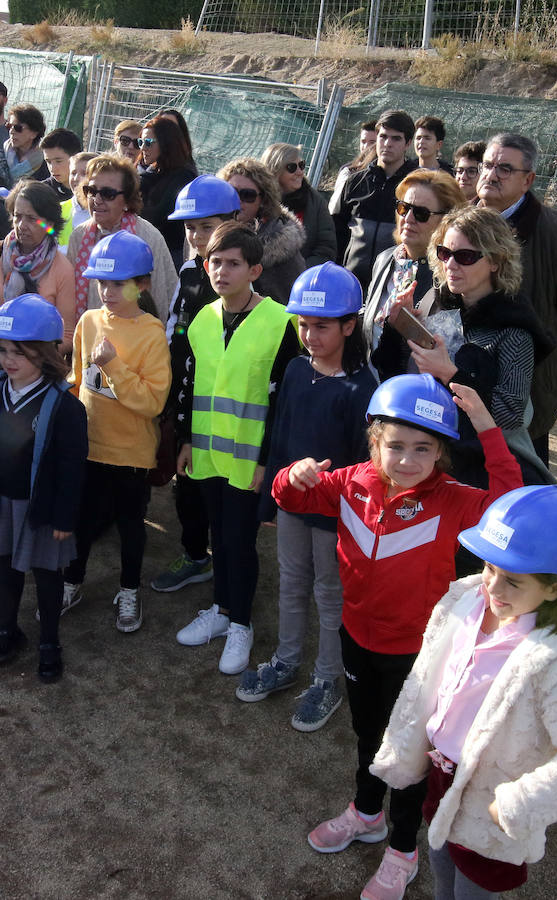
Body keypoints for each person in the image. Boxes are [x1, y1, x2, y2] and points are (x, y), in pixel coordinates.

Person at [272, 373, 523, 900]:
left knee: (411, 753)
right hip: (357, 638)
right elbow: (292, 501)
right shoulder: (348, 484)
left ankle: (403, 849)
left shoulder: (453, 501)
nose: (407, 460)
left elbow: (509, 504)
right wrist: (293, 478)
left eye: (423, 449)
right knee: (368, 736)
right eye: (396, 446)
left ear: (441, 454)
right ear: (374, 443)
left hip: (420, 652)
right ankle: (366, 813)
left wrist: (486, 426)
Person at [372, 485, 557, 897]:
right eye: (490, 567)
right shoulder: (467, 600)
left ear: (556, 587)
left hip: (491, 802)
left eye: (513, 581)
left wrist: (517, 804)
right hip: (443, 774)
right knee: (441, 860)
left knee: (472, 888)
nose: (493, 588)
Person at [237, 263, 377, 732]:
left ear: (349, 326)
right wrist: (270, 503)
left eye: (322, 326)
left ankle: (326, 680)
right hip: (290, 505)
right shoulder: (297, 369)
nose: (310, 335)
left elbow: (368, 466)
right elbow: (280, 436)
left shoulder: (364, 387)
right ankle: (286, 660)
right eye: (303, 324)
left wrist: (341, 504)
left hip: (335, 518)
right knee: (292, 584)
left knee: (330, 595)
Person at [174, 223, 299, 675]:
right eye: (214, 262)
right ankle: (221, 611)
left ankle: (241, 622)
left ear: (254, 270)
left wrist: (269, 460)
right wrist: (185, 439)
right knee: (217, 536)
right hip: (208, 454)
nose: (220, 271)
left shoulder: (281, 323)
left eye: (232, 263)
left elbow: (284, 401)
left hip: (250, 460)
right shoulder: (203, 319)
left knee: (240, 541)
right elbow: (191, 384)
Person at [63, 232, 171, 634]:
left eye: (117, 282)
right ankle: (71, 583)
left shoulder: (152, 333)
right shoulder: (89, 321)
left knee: (130, 526)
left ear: (141, 284)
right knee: (83, 521)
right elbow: (77, 381)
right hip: (90, 447)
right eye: (101, 282)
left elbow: (152, 402)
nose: (107, 291)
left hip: (131, 454)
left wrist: (114, 367)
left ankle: (129, 590)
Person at [477, 132, 557, 466]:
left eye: (505, 169)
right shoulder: (458, 223)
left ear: (528, 180)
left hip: (530, 385)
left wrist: (540, 343)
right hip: (466, 378)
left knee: (522, 482)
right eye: (487, 165)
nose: (491, 175)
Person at [407, 205, 553, 488]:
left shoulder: (514, 329)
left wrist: (451, 375)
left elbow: (510, 414)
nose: (450, 264)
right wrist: (396, 327)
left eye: (465, 256)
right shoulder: (438, 305)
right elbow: (397, 372)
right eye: (445, 253)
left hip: (485, 471)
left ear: (496, 261)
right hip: (437, 458)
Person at [149, 175, 241, 594]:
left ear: (235, 222)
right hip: (185, 398)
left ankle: (229, 569)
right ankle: (195, 555)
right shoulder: (188, 271)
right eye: (191, 227)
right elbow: (173, 328)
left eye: (208, 226)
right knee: (185, 482)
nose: (198, 236)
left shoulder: (247, 278)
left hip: (227, 408)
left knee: (222, 493)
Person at [0, 294, 88, 682]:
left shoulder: (66, 406)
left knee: (48, 575)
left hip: (43, 509)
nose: (9, 360)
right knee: (4, 570)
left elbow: (73, 468)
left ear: (48, 352)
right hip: (4, 504)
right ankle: (6, 630)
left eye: (20, 352)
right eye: (2, 350)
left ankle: (49, 642)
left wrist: (65, 516)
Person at [362, 168, 464, 378]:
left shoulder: (452, 275)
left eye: (421, 213)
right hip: (372, 386)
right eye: (403, 208)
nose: (408, 218)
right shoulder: (385, 259)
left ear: (446, 220)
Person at [67, 154, 178, 323]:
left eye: (108, 194)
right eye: (91, 191)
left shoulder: (148, 237)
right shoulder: (79, 236)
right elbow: (68, 298)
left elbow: (162, 300)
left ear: (127, 198)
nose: (97, 200)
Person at [332, 109, 418, 291]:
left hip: (394, 284)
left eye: (396, 138)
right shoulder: (354, 181)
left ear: (408, 143)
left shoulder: (417, 185)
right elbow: (336, 230)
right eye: (383, 136)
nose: (387, 143)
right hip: (350, 282)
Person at [217, 157, 305, 304]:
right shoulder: (207, 231)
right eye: (231, 192)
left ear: (264, 200)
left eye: (247, 195)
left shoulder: (281, 247)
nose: (237, 201)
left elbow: (292, 307)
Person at [1, 181, 76, 353]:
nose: (21, 225)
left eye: (31, 219)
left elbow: (67, 335)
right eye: (17, 216)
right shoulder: (1, 255)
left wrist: (32, 356)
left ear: (48, 225)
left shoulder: (62, 269)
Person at [137, 116, 198, 271]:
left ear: (166, 144)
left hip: (169, 255)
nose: (143, 148)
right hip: (144, 250)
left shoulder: (183, 177)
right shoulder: (147, 173)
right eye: (140, 142)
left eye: (148, 142)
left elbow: (154, 217)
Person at [262, 142, 336, 268]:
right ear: (274, 170)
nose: (300, 172)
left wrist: (302, 272)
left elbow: (326, 248)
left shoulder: (315, 201)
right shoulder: (257, 200)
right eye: (292, 167)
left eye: (301, 165)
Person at [328, 120, 377, 215]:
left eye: (372, 142)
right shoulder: (348, 171)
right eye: (363, 141)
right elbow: (335, 207)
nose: (366, 146)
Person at [58, 151, 97, 252]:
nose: (76, 178)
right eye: (73, 173)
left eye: (84, 173)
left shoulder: (102, 211)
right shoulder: (57, 210)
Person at [4, 104, 48, 184]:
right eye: (9, 126)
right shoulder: (2, 154)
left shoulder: (46, 163)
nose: (11, 131)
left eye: (18, 128)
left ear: (34, 133)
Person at [40, 128, 82, 201]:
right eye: (48, 162)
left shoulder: (93, 191)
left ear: (76, 158)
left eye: (58, 161)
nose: (52, 168)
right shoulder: (40, 192)